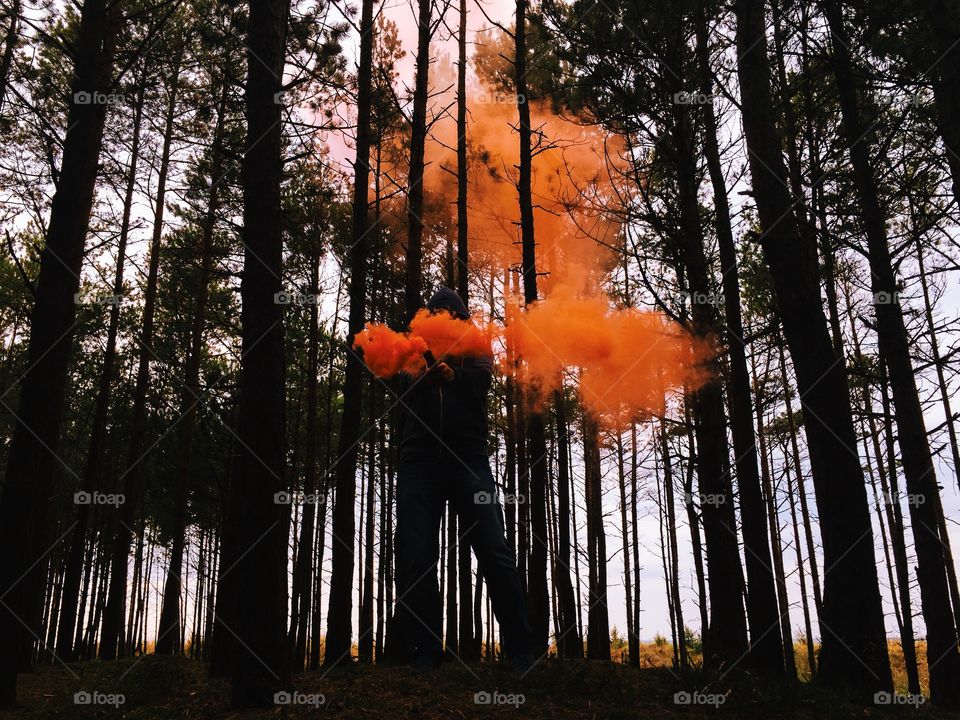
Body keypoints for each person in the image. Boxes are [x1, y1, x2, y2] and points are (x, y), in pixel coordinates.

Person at [395, 286, 536, 673]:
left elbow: (482, 382)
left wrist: (452, 375)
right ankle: (424, 653)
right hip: (418, 459)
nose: (444, 317)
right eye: (437, 311)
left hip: (467, 459)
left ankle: (522, 649)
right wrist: (426, 376)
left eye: (450, 312)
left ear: (461, 317)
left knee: (494, 549)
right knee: (418, 556)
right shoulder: (414, 346)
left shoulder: (476, 344)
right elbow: (403, 390)